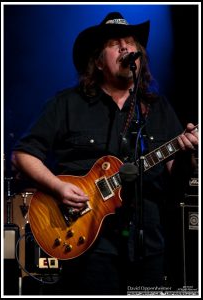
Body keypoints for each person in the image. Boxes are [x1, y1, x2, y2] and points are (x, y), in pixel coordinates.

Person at [11, 12, 198, 295]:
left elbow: (176, 175)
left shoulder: (158, 108)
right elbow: (23, 155)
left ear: (139, 56)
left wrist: (189, 155)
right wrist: (59, 187)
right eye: (115, 43)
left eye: (130, 42)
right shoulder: (68, 104)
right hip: (88, 243)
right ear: (98, 62)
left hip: (148, 244)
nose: (125, 47)